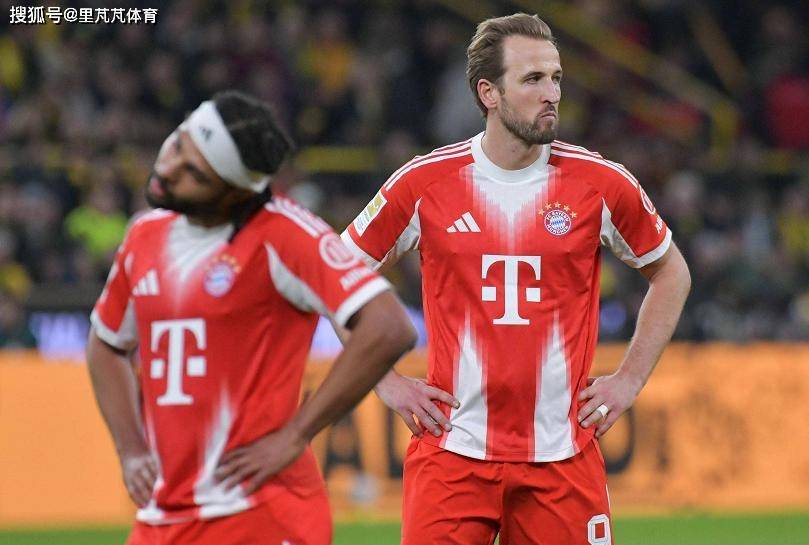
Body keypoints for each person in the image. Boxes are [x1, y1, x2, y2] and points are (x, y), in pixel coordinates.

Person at [340, 13, 691, 545]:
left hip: (563, 458)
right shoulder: (425, 182)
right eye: (532, 79)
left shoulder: (600, 183)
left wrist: (629, 380)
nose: (552, 94)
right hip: (452, 454)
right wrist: (384, 381)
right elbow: (335, 276)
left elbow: (671, 272)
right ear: (489, 93)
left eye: (556, 78)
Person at [86, 90, 416, 545]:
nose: (168, 168)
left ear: (234, 193)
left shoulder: (283, 234)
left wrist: (297, 434)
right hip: (166, 514)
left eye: (195, 173)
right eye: (177, 144)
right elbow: (106, 343)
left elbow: (388, 326)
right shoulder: (145, 234)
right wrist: (130, 449)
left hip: (260, 510)